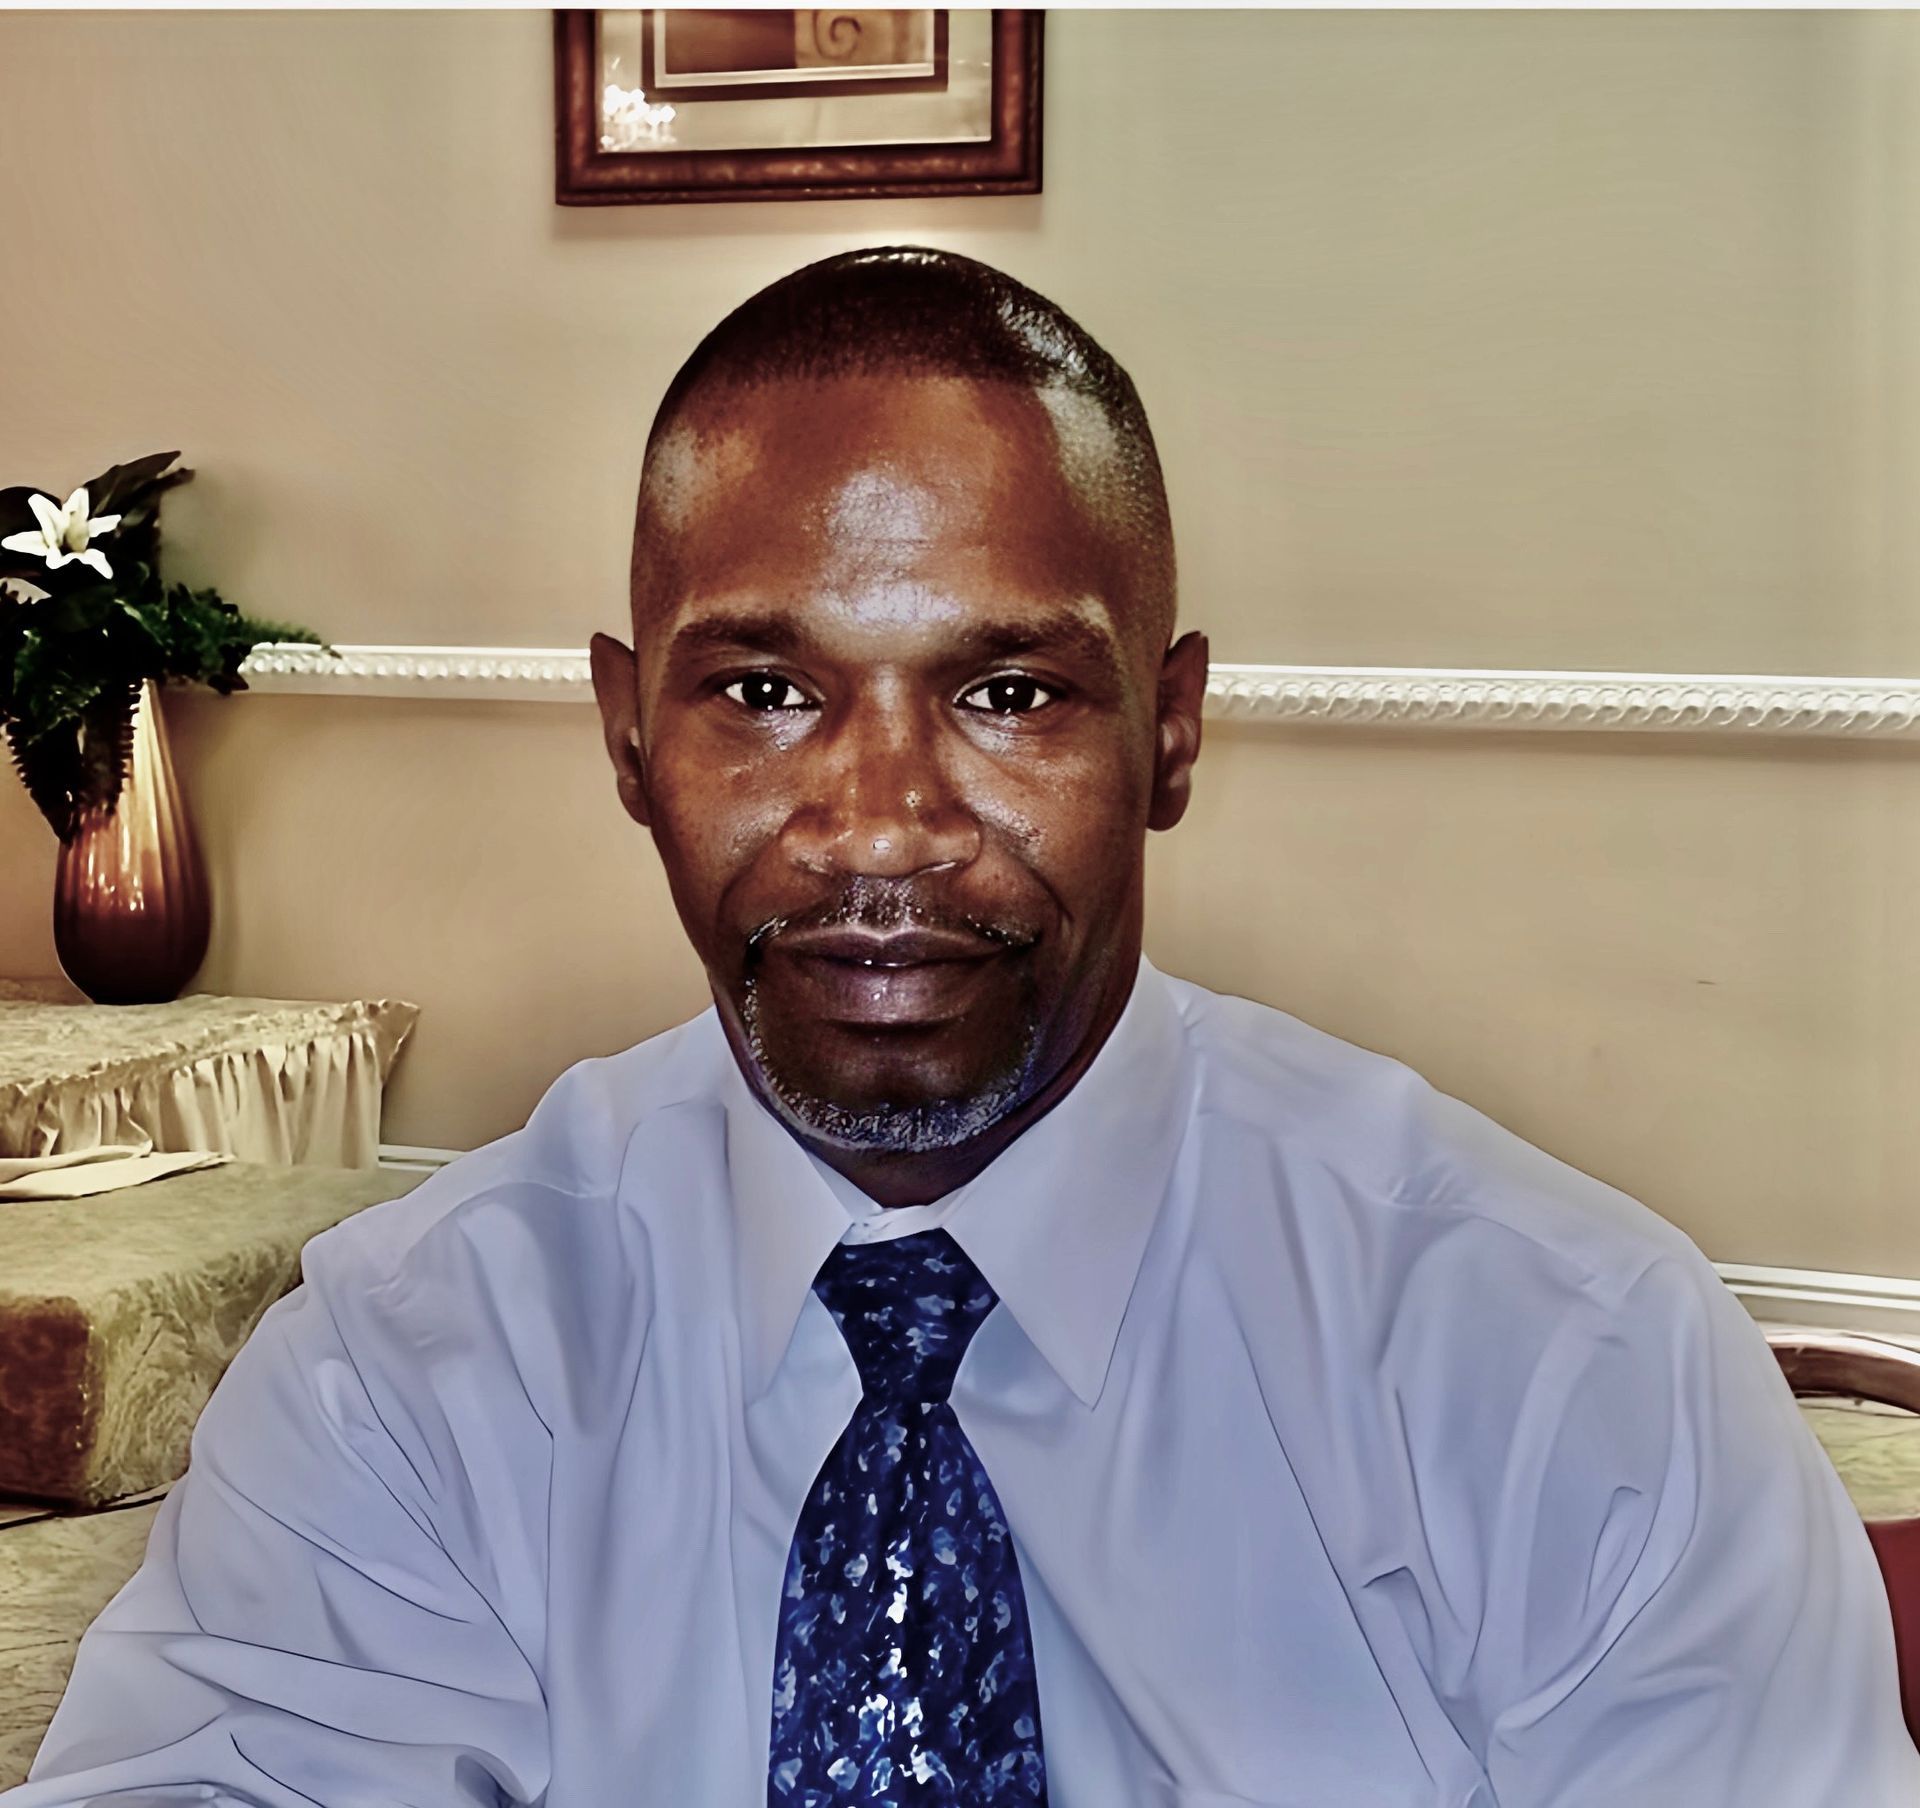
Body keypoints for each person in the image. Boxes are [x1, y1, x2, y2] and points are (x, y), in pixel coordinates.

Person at [7, 246, 1914, 1808]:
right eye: (761, 690)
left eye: (1009, 692)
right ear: (625, 736)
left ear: (1168, 734)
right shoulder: (410, 1375)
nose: (883, 823)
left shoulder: (1569, 1373)